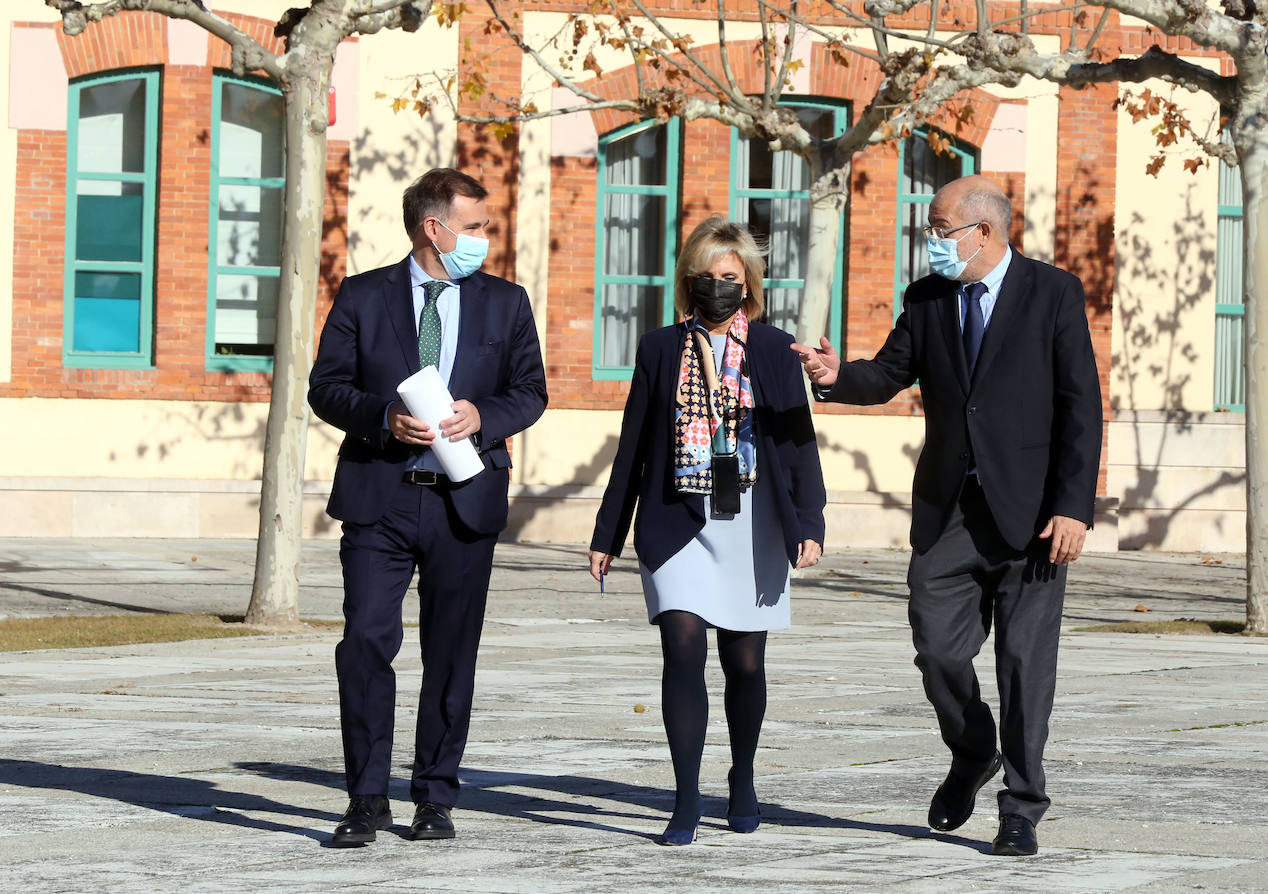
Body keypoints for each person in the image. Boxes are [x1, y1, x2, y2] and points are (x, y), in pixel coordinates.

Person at [792, 175, 1102, 857]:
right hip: (950, 512)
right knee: (936, 650)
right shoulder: (930, 299)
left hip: (1034, 517)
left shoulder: (1053, 294)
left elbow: (1082, 406)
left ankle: (1021, 807)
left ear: (982, 232)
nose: (930, 241)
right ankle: (972, 750)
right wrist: (835, 375)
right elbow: (889, 373)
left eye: (938, 229)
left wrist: (1074, 507)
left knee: (1025, 668)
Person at [308, 168, 548, 846]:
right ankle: (365, 800)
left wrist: (485, 415)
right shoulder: (361, 296)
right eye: (474, 227)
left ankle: (435, 798)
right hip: (378, 501)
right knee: (364, 644)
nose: (484, 238)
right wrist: (384, 417)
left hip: (464, 502)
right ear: (432, 228)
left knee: (451, 655)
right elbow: (325, 389)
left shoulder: (506, 302)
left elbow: (531, 391)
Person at [589, 217, 825, 846]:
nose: (718, 286)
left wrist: (810, 523)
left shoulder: (774, 349)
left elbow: (798, 445)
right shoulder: (660, 347)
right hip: (677, 519)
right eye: (706, 276)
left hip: (753, 520)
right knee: (682, 649)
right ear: (688, 281)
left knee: (744, 662)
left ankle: (742, 777)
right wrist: (607, 533)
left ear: (748, 283)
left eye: (730, 277)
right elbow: (633, 446)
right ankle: (686, 796)